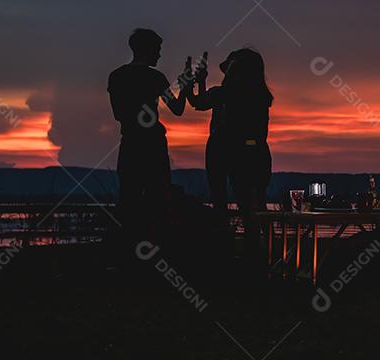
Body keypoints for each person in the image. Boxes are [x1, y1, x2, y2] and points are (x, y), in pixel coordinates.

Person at [107, 28, 191, 238]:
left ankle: (128, 247)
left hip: (129, 143)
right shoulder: (156, 78)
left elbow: (118, 114)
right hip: (153, 145)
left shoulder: (116, 76)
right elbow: (178, 109)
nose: (160, 54)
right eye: (158, 49)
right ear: (148, 49)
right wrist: (185, 86)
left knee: (129, 198)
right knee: (158, 199)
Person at [188, 47, 273, 249]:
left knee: (220, 203)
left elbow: (197, 103)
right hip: (255, 153)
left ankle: (223, 249)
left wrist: (198, 81)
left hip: (222, 150)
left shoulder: (223, 93)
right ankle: (265, 252)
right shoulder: (261, 96)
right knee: (255, 207)